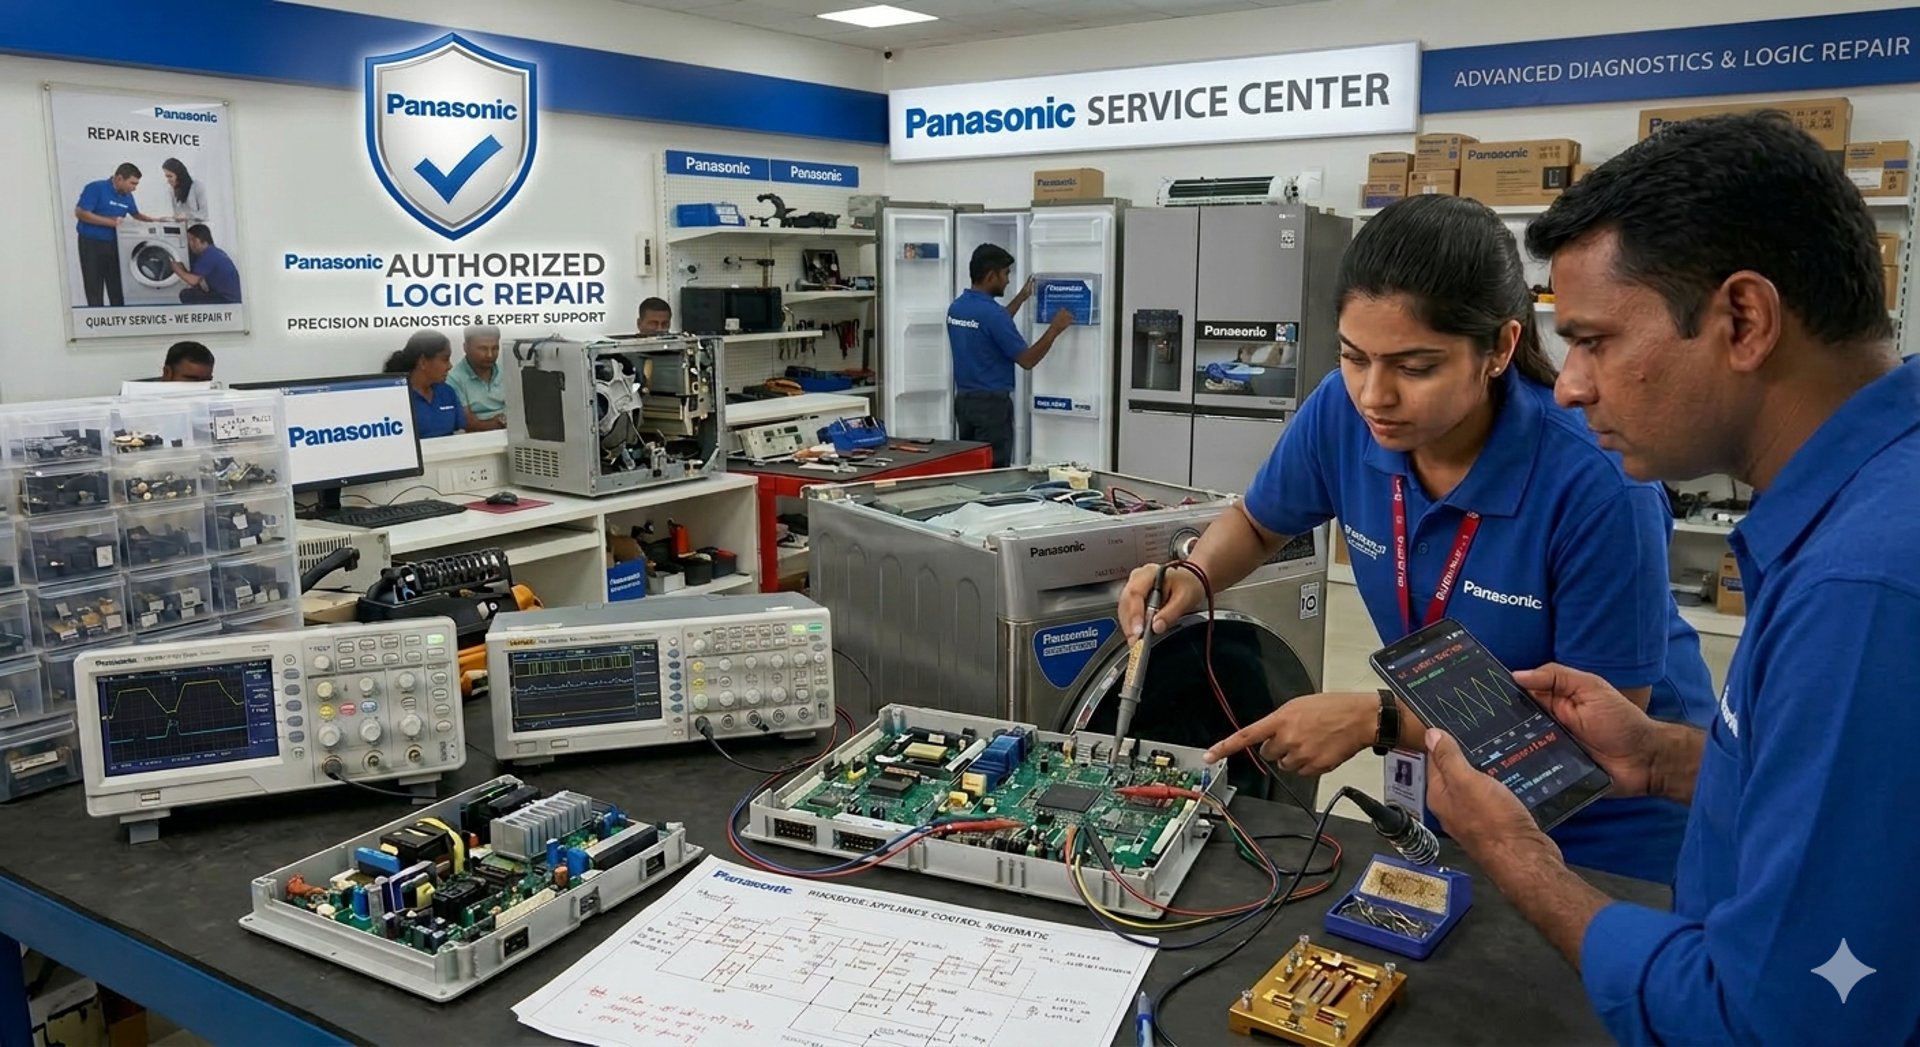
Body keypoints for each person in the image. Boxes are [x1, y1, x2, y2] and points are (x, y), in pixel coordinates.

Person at [1421, 111, 1920, 1044]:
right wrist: (1664, 759)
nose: (1571, 384)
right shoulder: (1878, 496)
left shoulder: (1860, 592)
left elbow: (1764, 1024)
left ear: (1744, 320)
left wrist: (1518, 857)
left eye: (1595, 339)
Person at [1122, 194, 1715, 883]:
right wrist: (1194, 574)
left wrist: (1375, 719)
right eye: (1354, 357)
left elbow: (1597, 729)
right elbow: (1259, 523)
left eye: (1415, 367)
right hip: (1455, 785)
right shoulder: (1341, 412)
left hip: (1606, 829)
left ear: (1499, 348)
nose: (1375, 395)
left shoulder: (1598, 487)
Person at [946, 244, 1073, 466]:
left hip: (964, 403)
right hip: (991, 408)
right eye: (1005, 274)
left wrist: (1022, 297)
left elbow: (991, 325)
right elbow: (1027, 360)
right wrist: (1055, 329)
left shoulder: (957, 308)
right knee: (995, 469)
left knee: (973, 466)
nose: (1007, 280)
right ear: (990, 276)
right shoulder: (992, 314)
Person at [73, 162, 159, 307]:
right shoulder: (96, 188)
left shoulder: (128, 196)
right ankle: (97, 317)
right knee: (94, 285)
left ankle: (119, 315)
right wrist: (110, 222)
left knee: (117, 285)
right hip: (91, 243)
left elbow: (136, 215)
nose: (134, 188)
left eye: (136, 184)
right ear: (119, 178)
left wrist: (157, 221)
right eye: (132, 183)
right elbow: (81, 213)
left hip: (116, 244)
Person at [383, 330, 477, 439]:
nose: (450, 366)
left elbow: (460, 431)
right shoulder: (397, 397)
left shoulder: (447, 392)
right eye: (445, 359)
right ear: (423, 362)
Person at [446, 325, 508, 431]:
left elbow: (519, 410)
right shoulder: (453, 379)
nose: (490, 355)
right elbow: (470, 425)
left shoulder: (506, 370)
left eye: (495, 348)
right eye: (483, 349)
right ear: (465, 348)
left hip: (510, 432)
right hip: (476, 437)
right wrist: (501, 422)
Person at [172, 225, 241, 305]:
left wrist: (176, 269)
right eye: (189, 241)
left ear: (203, 240)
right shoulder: (214, 252)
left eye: (193, 240)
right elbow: (196, 280)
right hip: (232, 297)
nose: (190, 244)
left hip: (227, 299)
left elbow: (193, 281)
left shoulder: (208, 255)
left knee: (185, 294)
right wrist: (183, 269)